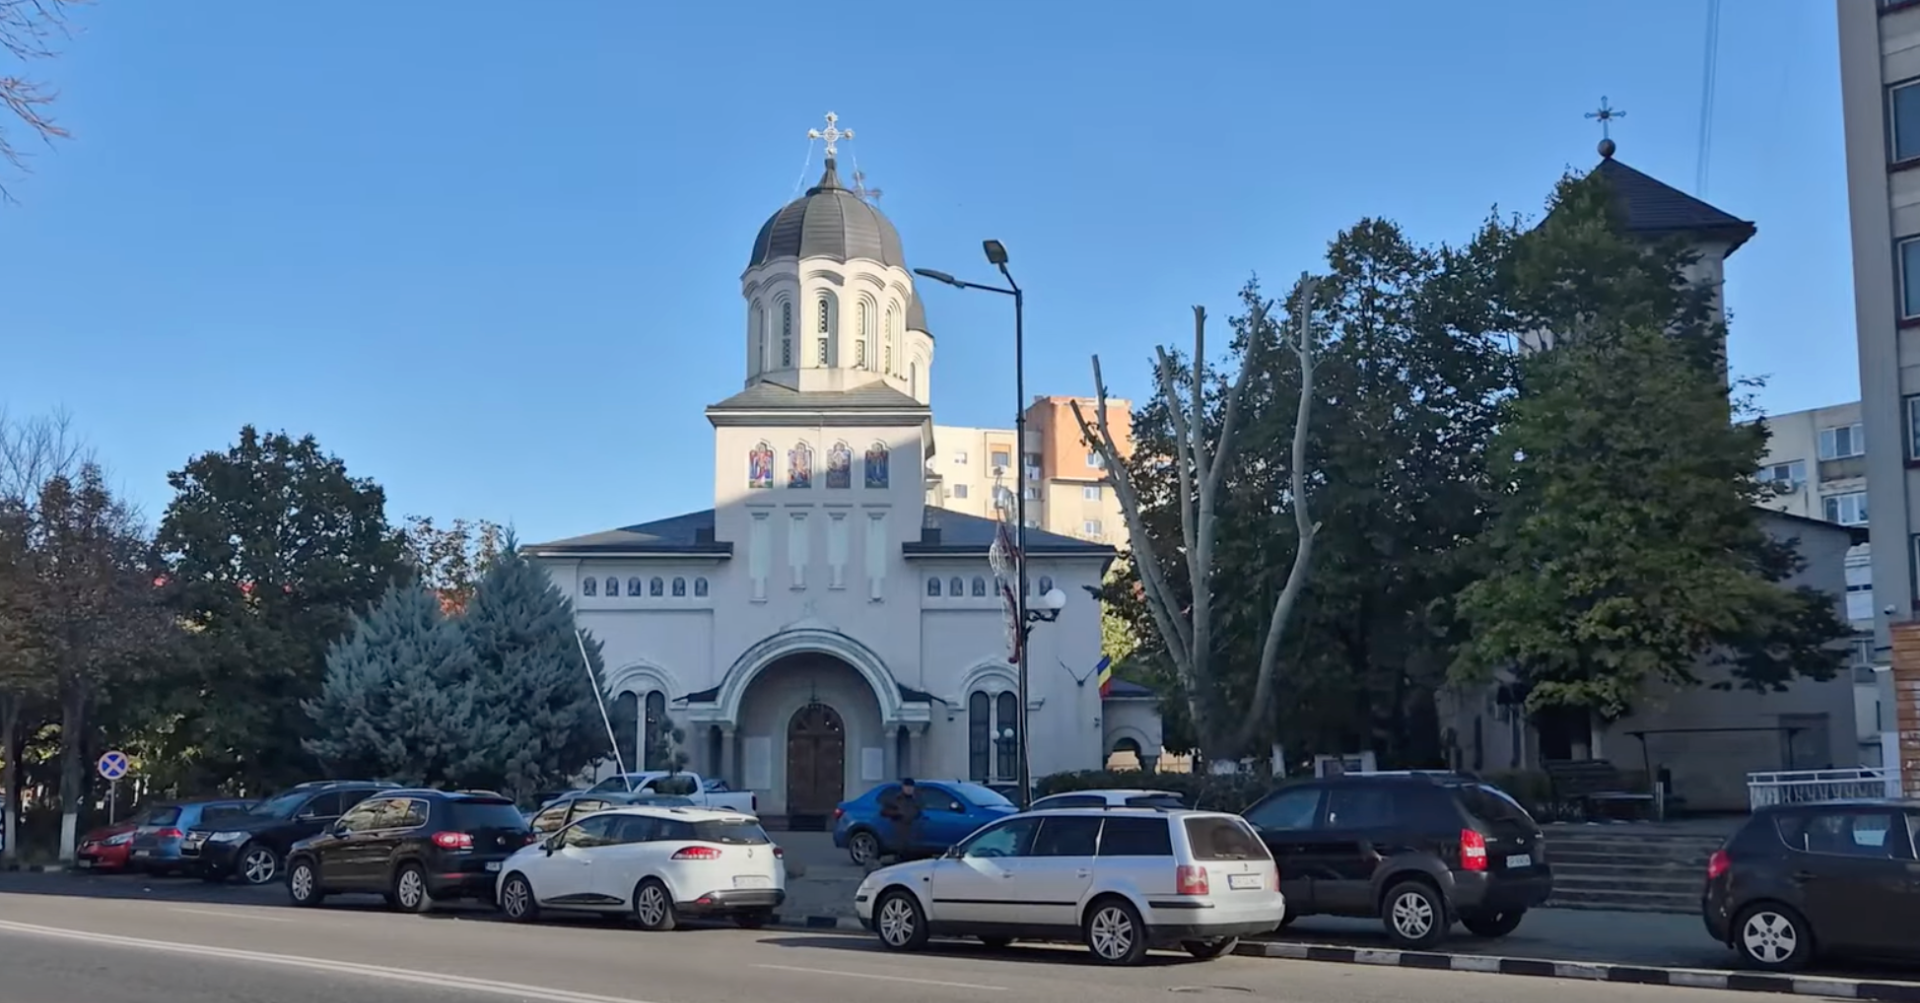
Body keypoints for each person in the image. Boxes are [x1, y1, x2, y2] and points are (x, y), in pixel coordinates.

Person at [878, 777, 923, 865]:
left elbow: (920, 811)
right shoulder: (896, 799)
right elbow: (884, 812)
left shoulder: (916, 800)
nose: (909, 789)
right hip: (900, 833)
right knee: (900, 858)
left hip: (914, 833)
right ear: (903, 787)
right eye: (907, 787)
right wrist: (897, 813)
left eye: (911, 787)